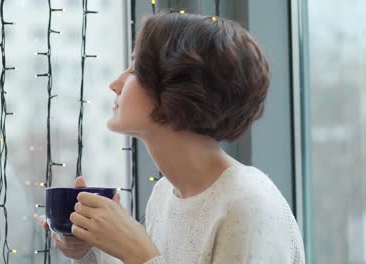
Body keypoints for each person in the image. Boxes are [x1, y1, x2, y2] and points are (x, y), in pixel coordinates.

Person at [38, 13, 305, 264]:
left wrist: (141, 254)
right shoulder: (164, 194)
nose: (116, 84)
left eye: (134, 70)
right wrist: (89, 250)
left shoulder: (248, 205)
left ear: (179, 90)